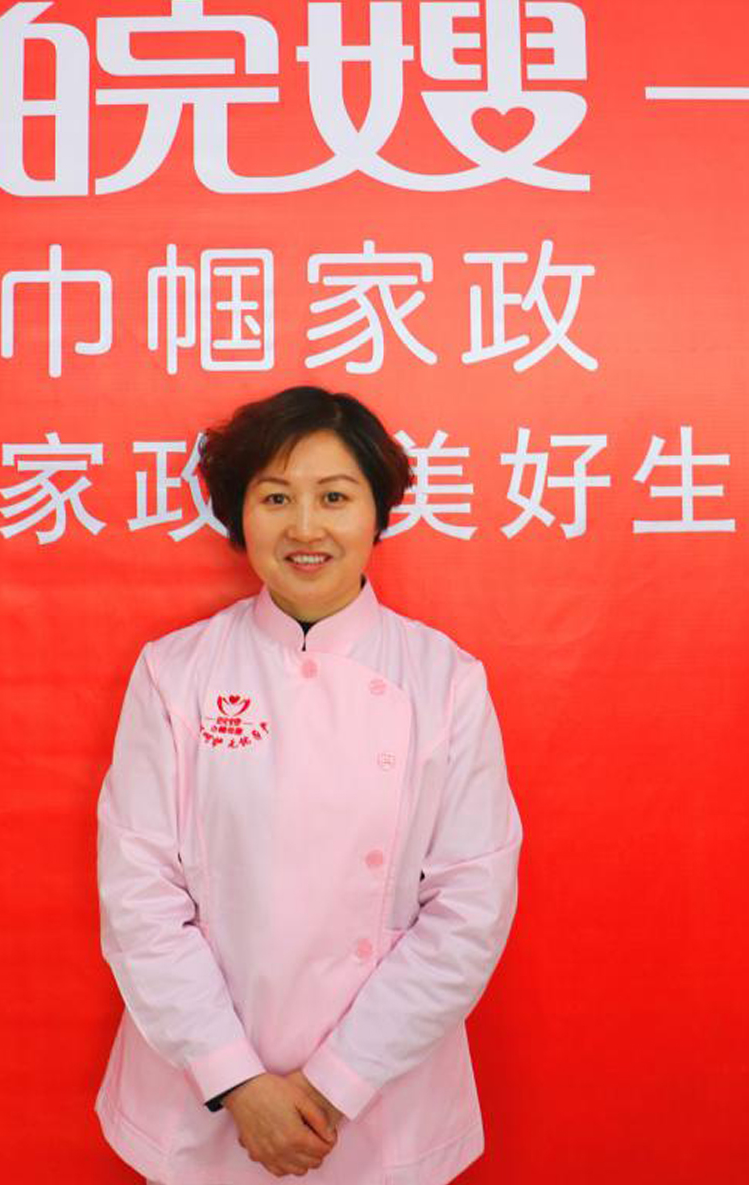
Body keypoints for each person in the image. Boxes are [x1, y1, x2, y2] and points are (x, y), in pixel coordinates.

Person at [95, 385, 523, 1185]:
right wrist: (236, 1080)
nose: (304, 527)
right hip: (204, 1093)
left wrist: (335, 1083)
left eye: (334, 496)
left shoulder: (445, 681)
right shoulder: (176, 673)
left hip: (382, 1095)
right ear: (239, 514)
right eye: (275, 497)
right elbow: (138, 894)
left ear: (377, 510)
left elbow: (470, 907)